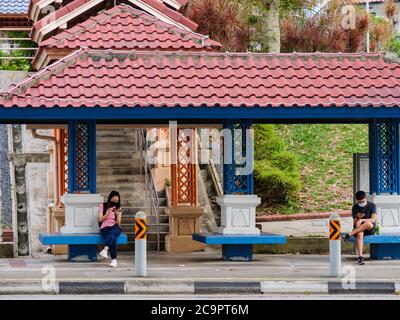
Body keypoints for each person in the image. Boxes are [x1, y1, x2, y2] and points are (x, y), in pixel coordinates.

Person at [342, 190, 377, 265]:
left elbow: (373, 220)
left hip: (369, 228)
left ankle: (349, 235)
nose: (361, 203)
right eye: (359, 202)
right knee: (360, 234)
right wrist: (358, 219)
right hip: (358, 228)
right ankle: (360, 257)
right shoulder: (355, 207)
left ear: (365, 198)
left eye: (362, 201)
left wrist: (362, 219)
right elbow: (355, 222)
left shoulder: (372, 205)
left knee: (368, 223)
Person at [98, 191, 122, 267]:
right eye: (113, 200)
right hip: (105, 227)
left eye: (117, 201)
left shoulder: (119, 208)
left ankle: (105, 249)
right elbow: (100, 219)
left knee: (114, 231)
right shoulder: (103, 206)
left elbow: (118, 223)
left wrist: (118, 215)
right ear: (110, 199)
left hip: (115, 226)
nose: (115, 202)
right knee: (113, 237)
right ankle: (114, 260)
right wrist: (108, 213)